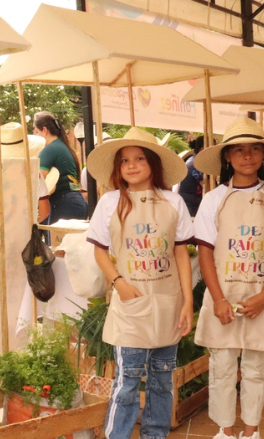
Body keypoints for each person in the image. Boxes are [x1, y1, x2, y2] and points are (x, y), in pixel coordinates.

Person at [192, 117, 264, 439]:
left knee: (257, 366)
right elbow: (206, 253)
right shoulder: (213, 199)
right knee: (222, 366)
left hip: (262, 296)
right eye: (239, 150)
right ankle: (225, 430)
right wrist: (219, 299)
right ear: (227, 157)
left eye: (255, 149)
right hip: (222, 296)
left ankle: (251, 431)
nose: (247, 156)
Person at [85, 127, 194, 439]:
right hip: (130, 303)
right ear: (118, 169)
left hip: (168, 303)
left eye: (139, 159)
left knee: (162, 378)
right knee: (127, 380)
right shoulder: (109, 203)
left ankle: (155, 435)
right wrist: (118, 282)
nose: (131, 166)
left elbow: (181, 253)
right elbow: (99, 251)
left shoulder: (174, 202)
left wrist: (188, 301)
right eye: (124, 161)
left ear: (153, 165)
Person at [0, 123, 50, 341]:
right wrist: (28, 222)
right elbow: (44, 210)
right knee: (22, 290)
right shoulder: (33, 172)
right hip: (21, 235)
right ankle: (20, 339)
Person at [34, 111, 88, 222]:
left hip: (64, 204)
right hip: (77, 201)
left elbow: (38, 180)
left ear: (45, 130)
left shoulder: (49, 149)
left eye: (36, 132)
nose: (36, 136)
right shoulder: (63, 146)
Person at [178, 136, 205, 216]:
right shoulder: (194, 164)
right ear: (203, 149)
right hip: (190, 204)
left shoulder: (194, 161)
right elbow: (205, 185)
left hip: (192, 202)